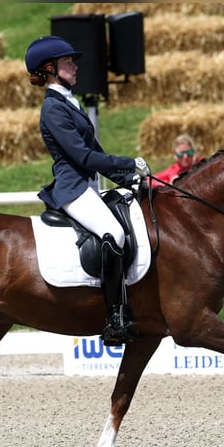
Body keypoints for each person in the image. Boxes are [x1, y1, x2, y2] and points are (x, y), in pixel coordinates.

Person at [25, 35, 151, 346]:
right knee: (114, 234)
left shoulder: (70, 101)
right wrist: (129, 162)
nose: (76, 66)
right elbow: (82, 157)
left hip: (89, 186)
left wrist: (128, 179)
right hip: (73, 188)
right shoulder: (53, 109)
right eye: (69, 62)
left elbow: (96, 151)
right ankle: (115, 316)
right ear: (51, 69)